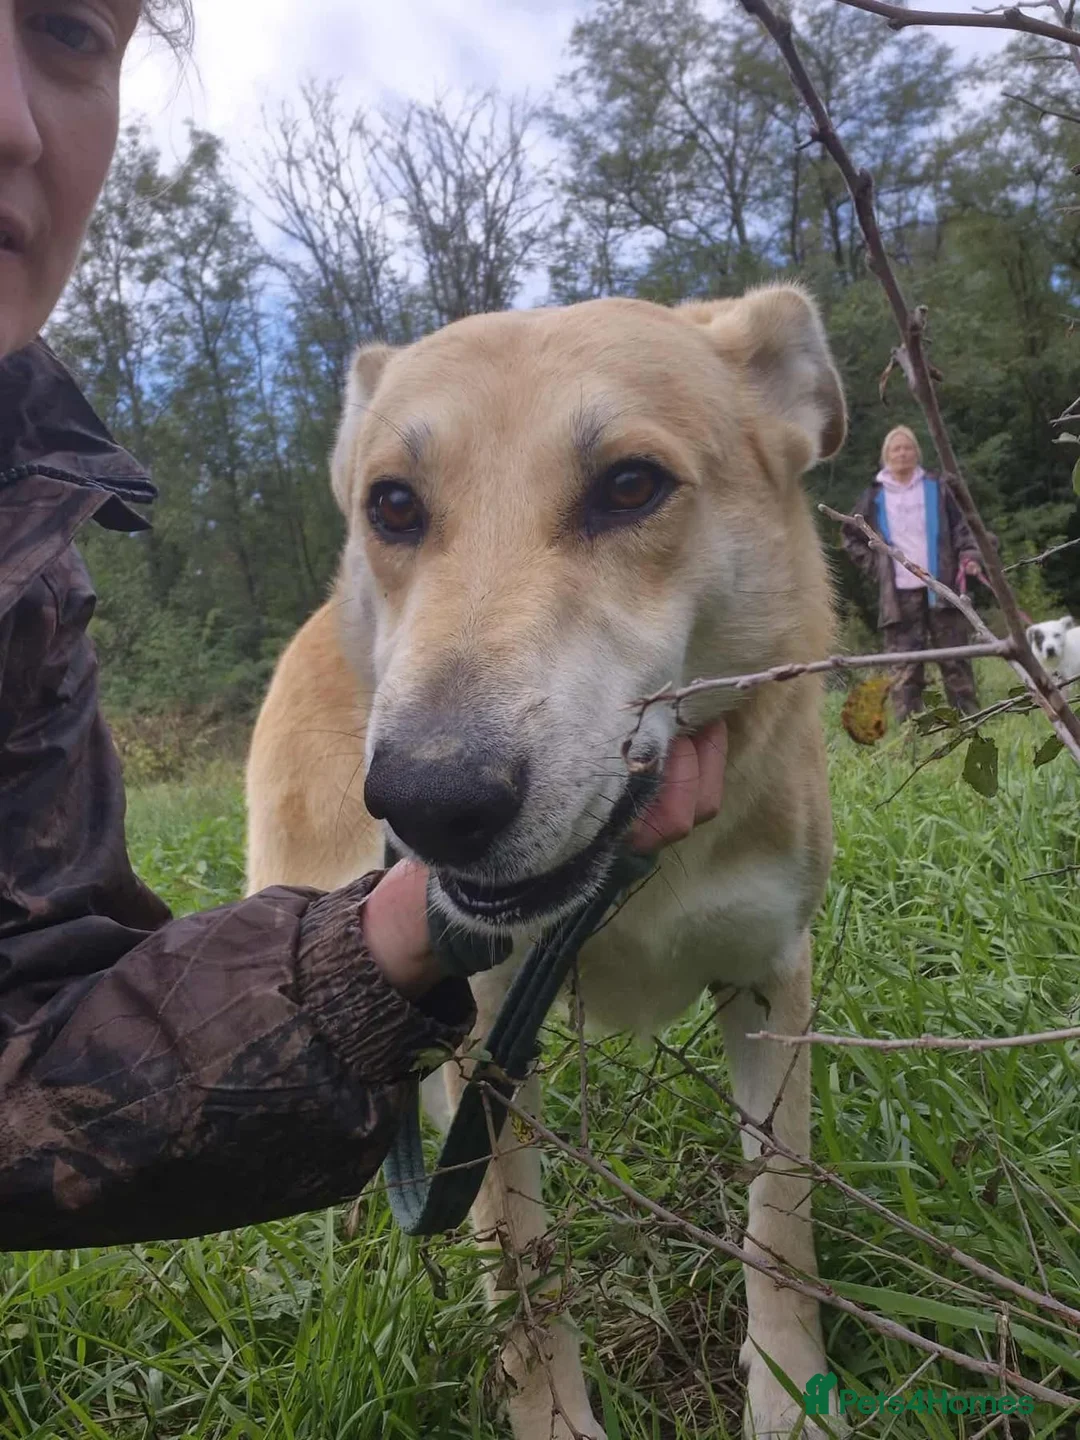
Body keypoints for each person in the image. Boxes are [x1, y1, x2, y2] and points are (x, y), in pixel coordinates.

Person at [0, 0, 727, 1249]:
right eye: (396, 505)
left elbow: (32, 1036)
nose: (10, 125)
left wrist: (403, 928)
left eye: (69, 29)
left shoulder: (32, 555)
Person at [842, 425, 983, 720]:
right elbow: (851, 536)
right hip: (898, 593)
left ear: (917, 453)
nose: (902, 453)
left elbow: (963, 527)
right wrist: (877, 567)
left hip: (942, 585)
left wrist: (969, 556)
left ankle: (968, 721)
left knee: (955, 656)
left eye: (908, 447)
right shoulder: (874, 495)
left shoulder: (937, 487)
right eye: (896, 448)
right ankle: (911, 727)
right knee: (904, 664)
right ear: (886, 456)